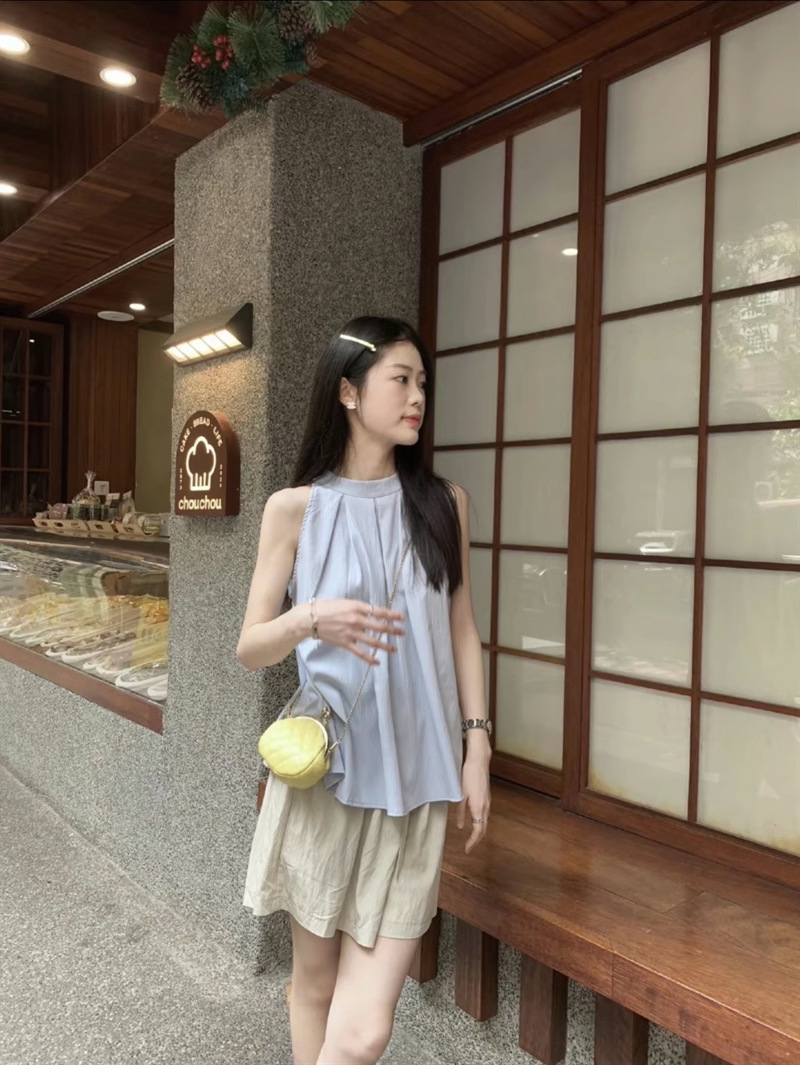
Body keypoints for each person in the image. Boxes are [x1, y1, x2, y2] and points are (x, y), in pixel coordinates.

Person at [237, 316, 492, 1065]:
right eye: (401, 380)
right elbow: (250, 647)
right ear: (348, 392)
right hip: (329, 777)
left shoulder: (445, 503)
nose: (418, 398)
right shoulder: (295, 509)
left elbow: (462, 628)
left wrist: (477, 744)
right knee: (314, 983)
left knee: (366, 1030)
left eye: (423, 383)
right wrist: (311, 617)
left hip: (418, 785)